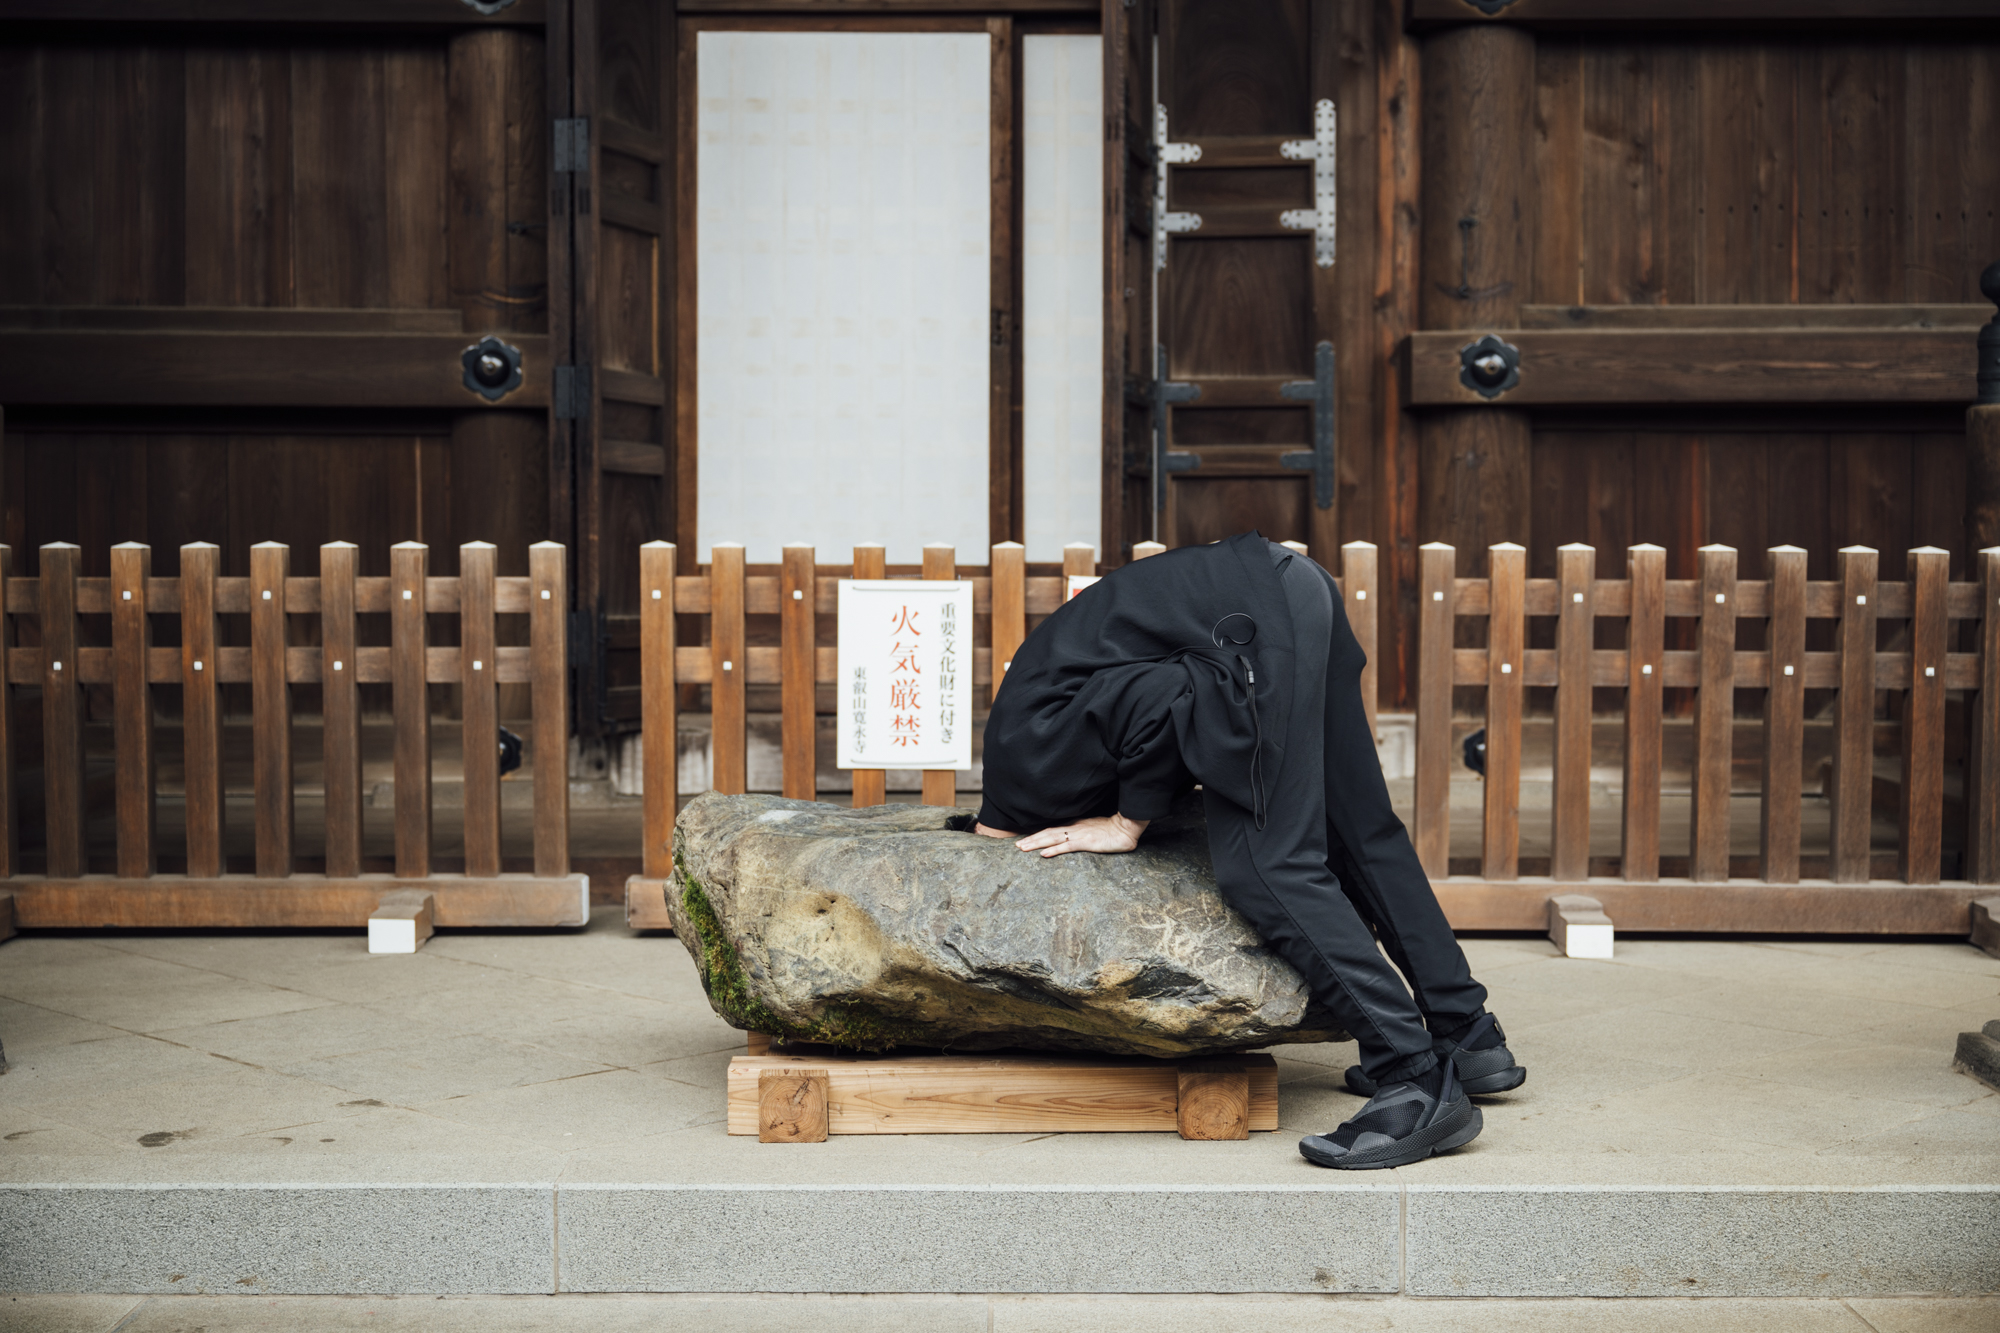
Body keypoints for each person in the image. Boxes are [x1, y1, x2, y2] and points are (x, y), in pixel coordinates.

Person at [973, 531, 1524, 1170]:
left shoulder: (1031, 761)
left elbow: (1165, 699)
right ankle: (1466, 1033)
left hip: (1248, 626)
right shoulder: (1025, 738)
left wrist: (1126, 822)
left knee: (1268, 865)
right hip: (1282, 589)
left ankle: (1415, 1079)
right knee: (1356, 827)